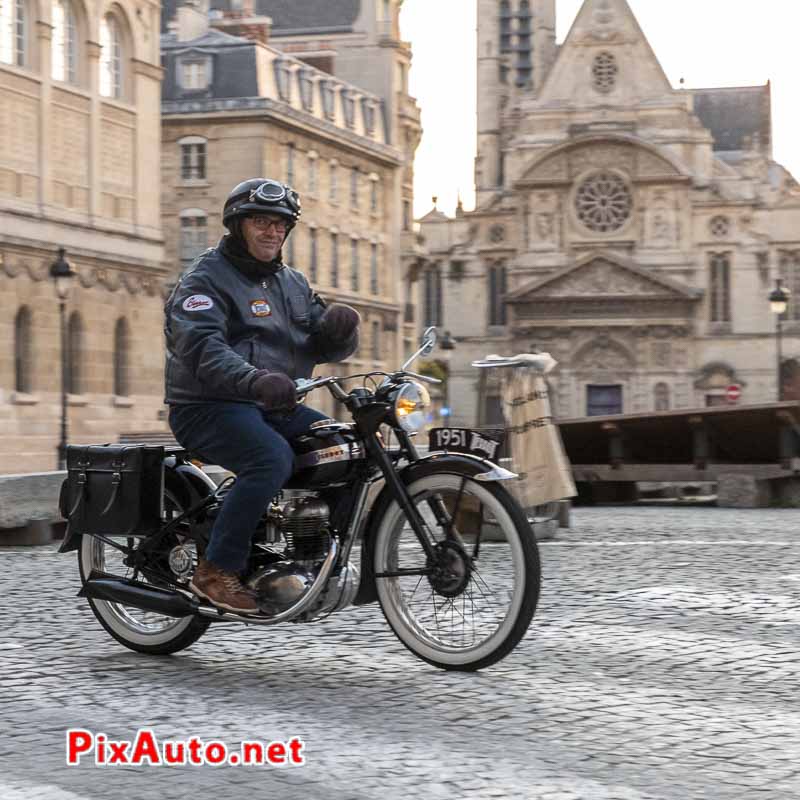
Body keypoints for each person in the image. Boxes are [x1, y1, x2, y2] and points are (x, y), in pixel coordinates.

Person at [164, 178, 360, 614]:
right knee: (270, 458)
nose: (272, 231)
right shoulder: (204, 279)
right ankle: (215, 570)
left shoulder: (291, 283)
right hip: (207, 406)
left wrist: (340, 333)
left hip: (273, 404)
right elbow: (201, 347)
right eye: (260, 222)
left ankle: (310, 551)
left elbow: (320, 344)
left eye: (280, 224)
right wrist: (254, 380)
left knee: (344, 447)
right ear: (238, 226)